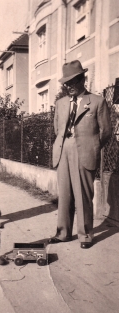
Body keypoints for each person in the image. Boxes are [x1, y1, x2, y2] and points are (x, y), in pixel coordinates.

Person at [49, 60, 112, 249]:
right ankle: (63, 233)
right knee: (65, 194)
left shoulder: (97, 101)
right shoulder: (60, 103)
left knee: (83, 195)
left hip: (85, 151)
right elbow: (57, 128)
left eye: (72, 82)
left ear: (82, 79)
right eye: (66, 83)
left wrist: (92, 146)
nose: (69, 86)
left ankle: (85, 235)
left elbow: (107, 131)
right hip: (63, 150)